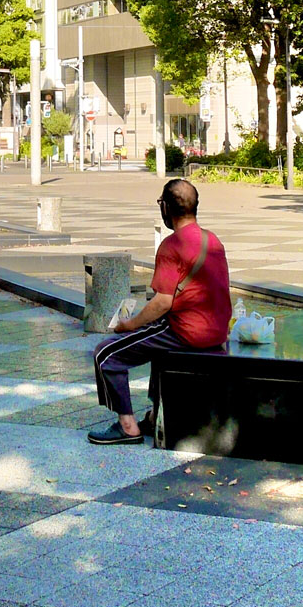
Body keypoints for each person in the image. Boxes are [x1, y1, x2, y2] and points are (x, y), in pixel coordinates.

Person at [89, 177, 230, 445]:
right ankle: (155, 417)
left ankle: (127, 426)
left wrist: (130, 325)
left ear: (165, 208)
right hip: (217, 333)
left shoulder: (171, 245)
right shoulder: (213, 240)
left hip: (186, 332)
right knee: (156, 342)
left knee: (105, 354)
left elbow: (162, 303)